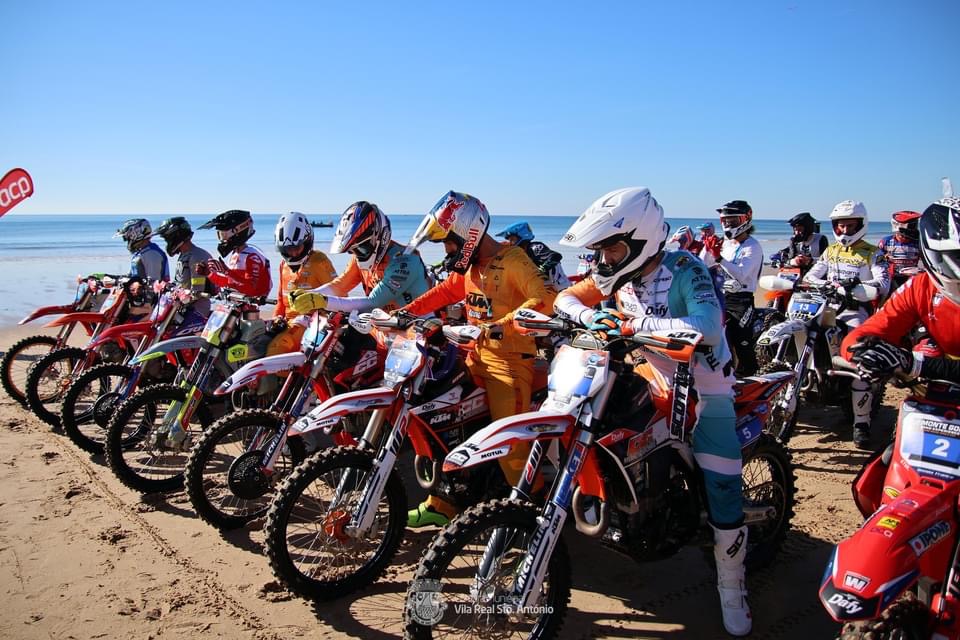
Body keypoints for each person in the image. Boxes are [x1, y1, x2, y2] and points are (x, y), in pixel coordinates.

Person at [554, 187, 750, 637]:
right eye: (600, 251)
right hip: (649, 374)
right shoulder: (614, 275)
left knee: (721, 481)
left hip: (705, 383)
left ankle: (732, 585)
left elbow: (706, 324)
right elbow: (567, 298)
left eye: (612, 249)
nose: (603, 260)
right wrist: (587, 319)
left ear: (640, 241)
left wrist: (633, 324)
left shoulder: (686, 268)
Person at [400, 191, 556, 528]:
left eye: (449, 243)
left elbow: (545, 299)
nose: (447, 251)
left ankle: (533, 520)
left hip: (509, 364)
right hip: (472, 358)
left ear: (468, 234)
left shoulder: (514, 261)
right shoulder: (471, 267)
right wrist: (403, 313)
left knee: (512, 446)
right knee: (440, 422)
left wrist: (497, 327)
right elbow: (443, 292)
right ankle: (442, 503)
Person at [842, 197, 960, 385]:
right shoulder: (919, 286)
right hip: (904, 280)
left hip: (914, 277)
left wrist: (915, 364)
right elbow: (866, 333)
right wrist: (864, 351)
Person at [803, 200, 890, 448]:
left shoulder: (873, 253)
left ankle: (861, 423)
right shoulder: (831, 251)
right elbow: (812, 274)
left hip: (854, 311)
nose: (843, 231)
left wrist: (859, 289)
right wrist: (820, 284)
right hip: (826, 308)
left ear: (860, 225)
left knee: (857, 361)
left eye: (849, 226)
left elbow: (882, 285)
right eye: (839, 226)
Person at [287, 201, 431, 316]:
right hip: (386, 327)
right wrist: (308, 294)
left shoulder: (405, 261)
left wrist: (323, 301)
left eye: (359, 248)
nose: (355, 254)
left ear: (378, 238)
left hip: (418, 330)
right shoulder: (359, 258)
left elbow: (372, 302)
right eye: (351, 250)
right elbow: (340, 285)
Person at [703, 200, 763, 377]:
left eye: (733, 221)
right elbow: (705, 265)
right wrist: (707, 250)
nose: (728, 224)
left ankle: (750, 372)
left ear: (746, 219)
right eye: (725, 221)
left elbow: (742, 274)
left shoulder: (753, 246)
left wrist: (719, 258)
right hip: (721, 295)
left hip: (741, 299)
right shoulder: (726, 244)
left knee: (739, 337)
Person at [266, 212, 337, 357]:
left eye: (296, 247)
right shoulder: (283, 266)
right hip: (288, 322)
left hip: (313, 322)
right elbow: (281, 300)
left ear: (307, 241)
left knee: (277, 349)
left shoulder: (319, 261)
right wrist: (276, 318)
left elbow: (339, 294)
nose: (292, 253)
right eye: (287, 249)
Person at [197, 210, 272, 298]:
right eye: (220, 235)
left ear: (237, 233)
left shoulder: (252, 257)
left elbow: (251, 289)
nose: (222, 240)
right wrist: (209, 274)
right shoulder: (236, 254)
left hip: (249, 307)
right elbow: (230, 283)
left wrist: (227, 271)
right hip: (235, 304)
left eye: (224, 235)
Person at [152, 216, 215, 316]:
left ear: (175, 236)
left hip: (196, 312)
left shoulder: (196, 256)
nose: (167, 243)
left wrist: (181, 297)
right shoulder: (185, 254)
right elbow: (182, 282)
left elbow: (197, 290)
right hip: (182, 308)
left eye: (167, 239)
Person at [495, 221, 571, 291]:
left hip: (561, 288)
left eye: (512, 239)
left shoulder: (534, 247)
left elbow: (555, 256)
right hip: (546, 289)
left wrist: (541, 269)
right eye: (509, 240)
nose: (510, 243)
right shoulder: (522, 253)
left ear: (521, 236)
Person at [877, 210, 923, 292]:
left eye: (915, 225)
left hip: (911, 278)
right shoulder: (886, 242)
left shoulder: (918, 242)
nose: (914, 228)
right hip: (892, 278)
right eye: (912, 225)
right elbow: (876, 260)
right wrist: (883, 258)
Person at [114, 218, 169, 283]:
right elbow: (131, 276)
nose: (128, 241)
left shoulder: (151, 254)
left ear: (136, 234)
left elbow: (153, 283)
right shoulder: (141, 252)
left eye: (128, 238)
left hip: (147, 293)